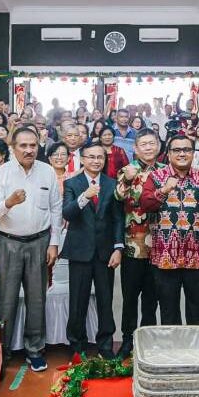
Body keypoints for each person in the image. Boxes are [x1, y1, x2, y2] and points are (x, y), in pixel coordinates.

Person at [0, 128, 63, 371]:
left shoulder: (47, 171)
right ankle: (3, 350)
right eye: (23, 145)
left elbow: (56, 209)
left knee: (37, 298)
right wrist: (9, 203)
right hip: (9, 242)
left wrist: (54, 243)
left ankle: (35, 349)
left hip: (39, 242)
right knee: (6, 300)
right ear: (13, 147)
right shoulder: (1, 174)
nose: (29, 150)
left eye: (33, 145)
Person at [140, 136, 199, 326]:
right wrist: (163, 190)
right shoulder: (156, 177)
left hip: (198, 255)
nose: (182, 153)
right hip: (165, 257)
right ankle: (172, 352)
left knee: (197, 309)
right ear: (168, 154)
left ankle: (197, 352)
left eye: (187, 149)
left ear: (194, 153)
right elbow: (145, 204)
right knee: (168, 310)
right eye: (177, 150)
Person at [61, 141, 124, 359]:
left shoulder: (111, 183)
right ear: (82, 159)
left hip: (105, 252)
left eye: (100, 157)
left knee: (105, 300)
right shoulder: (72, 183)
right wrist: (85, 196)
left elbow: (117, 219)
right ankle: (77, 346)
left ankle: (105, 346)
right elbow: (67, 214)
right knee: (78, 300)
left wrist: (118, 248)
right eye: (91, 157)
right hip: (79, 251)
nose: (96, 161)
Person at [114, 129, 165, 358]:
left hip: (160, 246)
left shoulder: (166, 172)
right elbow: (117, 197)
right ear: (135, 148)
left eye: (151, 143)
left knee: (152, 297)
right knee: (130, 296)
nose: (148, 147)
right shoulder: (126, 171)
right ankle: (127, 340)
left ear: (158, 146)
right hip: (133, 244)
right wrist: (126, 177)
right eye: (143, 144)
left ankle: (148, 340)